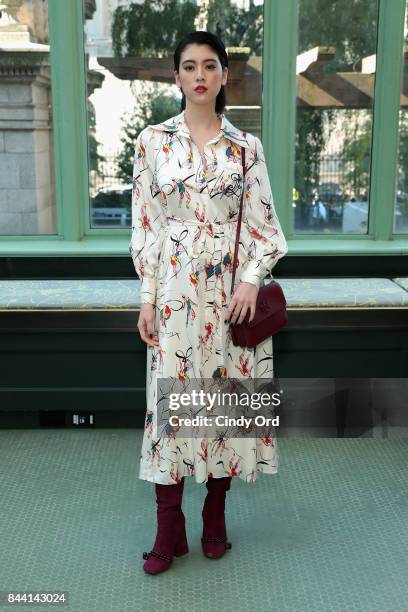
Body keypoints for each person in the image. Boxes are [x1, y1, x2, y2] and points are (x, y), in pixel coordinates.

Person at [129, 30, 288, 575]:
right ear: (177, 76)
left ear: (224, 76)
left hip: (229, 296)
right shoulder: (153, 141)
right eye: (189, 66)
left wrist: (249, 280)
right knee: (172, 404)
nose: (200, 75)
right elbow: (146, 228)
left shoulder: (246, 148)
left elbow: (268, 231)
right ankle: (166, 526)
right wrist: (147, 297)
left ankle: (215, 515)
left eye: (210, 66)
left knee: (222, 402)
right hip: (174, 292)